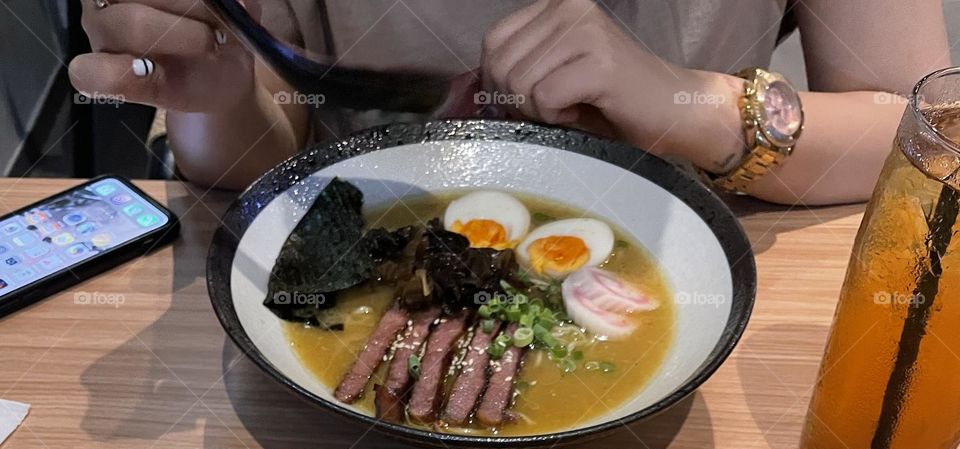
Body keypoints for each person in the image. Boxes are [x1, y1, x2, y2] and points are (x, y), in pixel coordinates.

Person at [69, 0, 950, 204]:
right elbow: (249, 157)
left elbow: (938, 132)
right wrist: (211, 95)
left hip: (708, 289)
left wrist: (700, 106)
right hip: (360, 279)